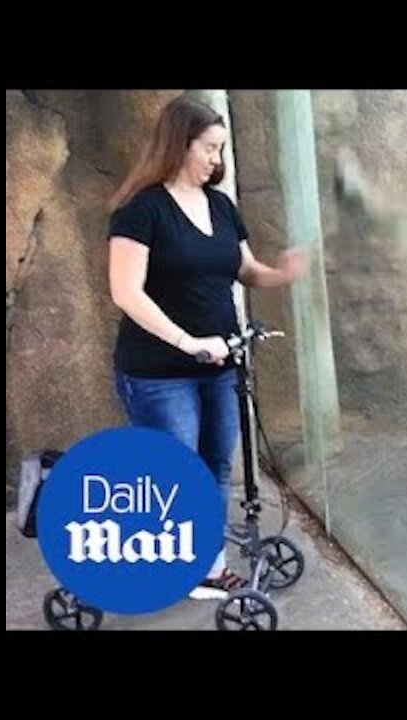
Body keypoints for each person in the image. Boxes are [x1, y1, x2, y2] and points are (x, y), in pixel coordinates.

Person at [105, 95, 309, 599]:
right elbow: (125, 291)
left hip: (220, 364)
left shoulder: (220, 205)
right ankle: (147, 556)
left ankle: (206, 565)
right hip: (158, 372)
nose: (218, 160)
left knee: (216, 464)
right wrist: (186, 341)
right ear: (179, 145)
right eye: (211, 149)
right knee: (176, 473)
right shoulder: (142, 209)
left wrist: (284, 273)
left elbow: (244, 270)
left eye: (221, 150)